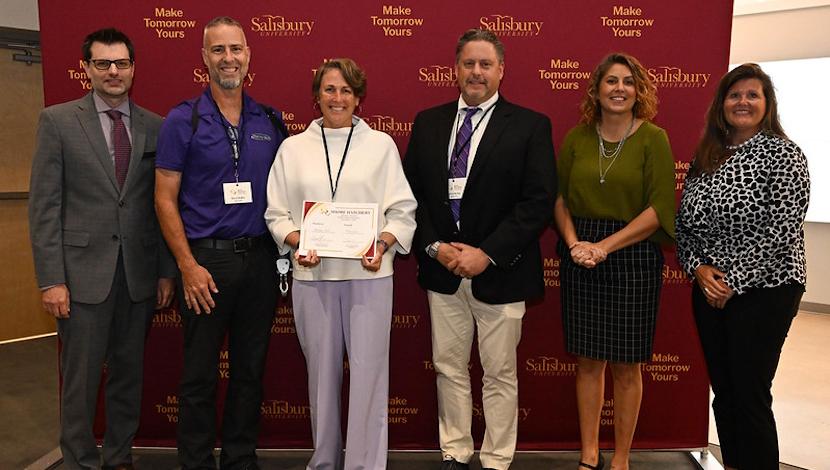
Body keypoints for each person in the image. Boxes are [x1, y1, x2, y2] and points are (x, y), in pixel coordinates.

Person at [403, 29, 556, 470]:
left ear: (501, 70)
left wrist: (484, 254)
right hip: (442, 270)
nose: (476, 72)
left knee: (500, 374)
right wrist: (435, 248)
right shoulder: (428, 122)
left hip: (502, 272)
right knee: (449, 367)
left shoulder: (530, 125)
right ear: (455, 69)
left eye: (485, 64)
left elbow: (537, 203)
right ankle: (455, 450)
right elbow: (410, 196)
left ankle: (495, 459)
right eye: (468, 63)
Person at [28, 27, 176, 470]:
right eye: (103, 63)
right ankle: (79, 460)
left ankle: (118, 457)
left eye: (122, 63)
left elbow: (163, 206)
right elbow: (44, 207)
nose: (114, 71)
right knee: (80, 381)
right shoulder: (57, 121)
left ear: (133, 68)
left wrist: (166, 270)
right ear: (86, 68)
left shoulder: (156, 125)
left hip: (138, 276)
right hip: (79, 278)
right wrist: (52, 279)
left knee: (128, 378)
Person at [264, 58, 416, 470]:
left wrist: (382, 244)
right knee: (321, 376)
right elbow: (276, 214)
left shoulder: (381, 145)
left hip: (369, 275)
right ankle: (325, 461)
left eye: (346, 90)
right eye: (330, 89)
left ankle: (365, 464)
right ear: (317, 97)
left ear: (358, 97)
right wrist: (299, 241)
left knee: (369, 375)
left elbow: (402, 212)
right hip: (313, 274)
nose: (338, 98)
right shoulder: (292, 149)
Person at [154, 16, 286, 470]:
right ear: (204, 58)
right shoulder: (181, 119)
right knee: (199, 376)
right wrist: (187, 266)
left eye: (236, 49)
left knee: (249, 372)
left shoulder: (269, 120)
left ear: (249, 56)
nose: (228, 58)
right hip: (205, 263)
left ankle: (239, 458)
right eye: (218, 50)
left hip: (260, 263)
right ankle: (194, 462)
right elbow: (164, 198)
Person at [676, 63, 809, 470]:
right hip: (709, 288)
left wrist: (732, 280)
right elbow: (683, 224)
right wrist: (699, 269)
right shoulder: (707, 157)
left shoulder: (784, 154)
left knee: (750, 391)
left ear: (767, 104)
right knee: (725, 391)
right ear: (722, 104)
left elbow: (782, 227)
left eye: (753, 94)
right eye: (735, 95)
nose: (743, 102)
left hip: (767, 290)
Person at [552, 52, 675, 470]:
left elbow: (659, 208)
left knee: (626, 365)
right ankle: (589, 453)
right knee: (588, 362)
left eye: (628, 82)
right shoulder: (577, 137)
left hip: (634, 257)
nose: (619, 88)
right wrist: (574, 244)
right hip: (580, 255)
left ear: (639, 90)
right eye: (611, 81)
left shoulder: (653, 138)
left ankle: (621, 458)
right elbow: (560, 199)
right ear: (597, 90)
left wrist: (606, 246)